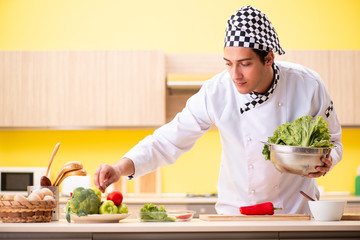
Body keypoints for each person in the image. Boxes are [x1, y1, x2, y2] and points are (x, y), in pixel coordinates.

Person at [94, 6, 343, 214]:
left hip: (296, 213)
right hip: (236, 213)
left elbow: (333, 142)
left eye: (244, 64)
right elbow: (167, 141)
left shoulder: (308, 84)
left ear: (268, 58)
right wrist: (119, 168)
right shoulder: (216, 91)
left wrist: (327, 161)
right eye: (229, 64)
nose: (235, 75)